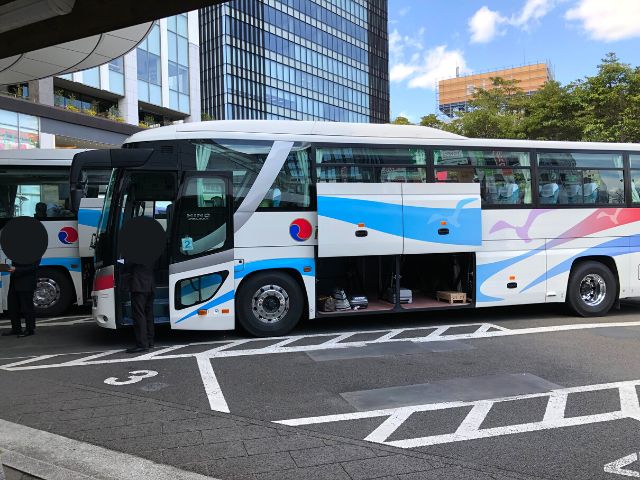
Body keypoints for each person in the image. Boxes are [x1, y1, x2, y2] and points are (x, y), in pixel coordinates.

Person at [124, 260, 155, 353]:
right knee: (148, 314)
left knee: (139, 315)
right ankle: (150, 341)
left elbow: (127, 264)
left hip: (139, 285)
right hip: (150, 284)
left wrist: (120, 261)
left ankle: (142, 344)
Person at [1, 262, 38, 337]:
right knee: (12, 307)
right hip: (14, 281)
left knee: (27, 307)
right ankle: (16, 329)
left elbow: (33, 267)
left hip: (26, 282)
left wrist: (16, 269)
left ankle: (30, 329)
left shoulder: (35, 252)